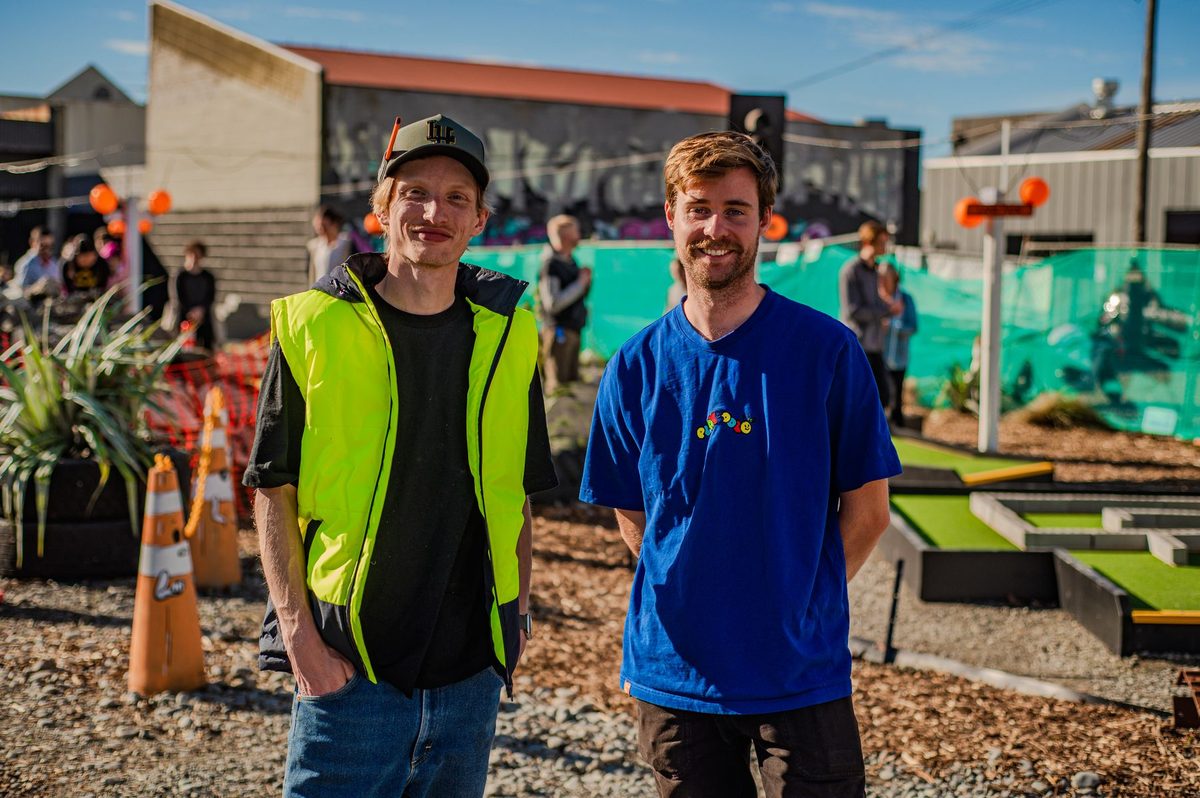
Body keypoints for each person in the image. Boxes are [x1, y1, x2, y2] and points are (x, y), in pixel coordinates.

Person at [243, 113, 557, 798]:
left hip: (470, 677)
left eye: (455, 198)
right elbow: (272, 486)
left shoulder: (512, 333)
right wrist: (300, 640)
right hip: (348, 671)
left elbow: (517, 490)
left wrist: (519, 616)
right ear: (381, 210)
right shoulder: (313, 324)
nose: (433, 211)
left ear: (479, 220)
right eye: (413, 191)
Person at [580, 131, 900, 798]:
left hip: (798, 668)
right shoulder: (634, 366)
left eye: (735, 210)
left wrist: (796, 602)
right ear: (670, 217)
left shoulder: (828, 353)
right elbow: (632, 514)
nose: (715, 228)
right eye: (698, 208)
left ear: (764, 223)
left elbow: (868, 513)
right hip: (676, 670)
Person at [838, 220, 901, 409]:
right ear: (868, 243)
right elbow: (853, 311)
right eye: (881, 242)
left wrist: (889, 305)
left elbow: (876, 303)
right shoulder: (851, 271)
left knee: (883, 396)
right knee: (856, 398)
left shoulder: (876, 271)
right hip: (857, 344)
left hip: (875, 344)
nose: (885, 247)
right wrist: (886, 310)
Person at [537, 214, 591, 391]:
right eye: (576, 231)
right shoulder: (550, 265)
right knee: (558, 388)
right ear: (566, 235)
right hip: (558, 331)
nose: (579, 235)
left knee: (571, 385)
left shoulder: (571, 261)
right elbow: (552, 303)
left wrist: (585, 283)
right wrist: (580, 284)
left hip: (573, 330)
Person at [879, 264, 918, 427]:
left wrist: (895, 327)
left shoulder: (905, 299)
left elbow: (913, 326)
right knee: (881, 391)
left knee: (897, 393)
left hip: (899, 356)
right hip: (879, 354)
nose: (884, 281)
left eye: (888, 277)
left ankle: (896, 423)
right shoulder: (877, 299)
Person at [169, 240, 217, 350]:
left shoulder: (208, 277)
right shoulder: (180, 276)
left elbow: (210, 296)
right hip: (184, 317)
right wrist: (190, 312)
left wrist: (201, 310)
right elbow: (177, 297)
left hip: (203, 318)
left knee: (206, 346)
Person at [306, 205, 352, 284]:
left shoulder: (346, 243)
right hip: (318, 291)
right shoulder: (313, 246)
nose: (321, 230)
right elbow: (310, 273)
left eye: (324, 226)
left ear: (334, 224)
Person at [13, 226, 62, 294]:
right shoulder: (25, 264)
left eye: (50, 246)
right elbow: (19, 291)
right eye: (43, 246)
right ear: (32, 242)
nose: (47, 250)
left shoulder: (54, 263)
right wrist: (38, 288)